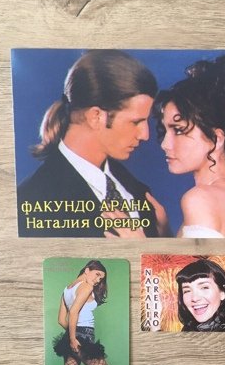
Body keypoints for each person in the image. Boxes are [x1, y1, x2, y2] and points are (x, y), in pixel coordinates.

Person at [17, 50, 168, 238]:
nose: (145, 135)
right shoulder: (31, 200)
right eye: (136, 122)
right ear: (96, 116)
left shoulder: (139, 192)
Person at [155, 54, 225, 238]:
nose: (165, 144)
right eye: (165, 130)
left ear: (217, 139)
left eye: (178, 130)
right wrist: (164, 231)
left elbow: (201, 259)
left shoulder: (199, 199)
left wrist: (138, 242)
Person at [53, 260, 112, 365]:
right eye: (97, 274)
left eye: (101, 278)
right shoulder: (86, 287)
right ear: (87, 270)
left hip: (72, 336)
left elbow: (61, 320)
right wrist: (73, 338)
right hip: (83, 337)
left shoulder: (66, 290)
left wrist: (72, 334)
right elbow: (73, 312)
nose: (98, 280)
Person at [176, 259, 225, 332]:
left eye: (204, 287)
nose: (195, 298)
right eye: (187, 291)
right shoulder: (189, 328)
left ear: (222, 292)